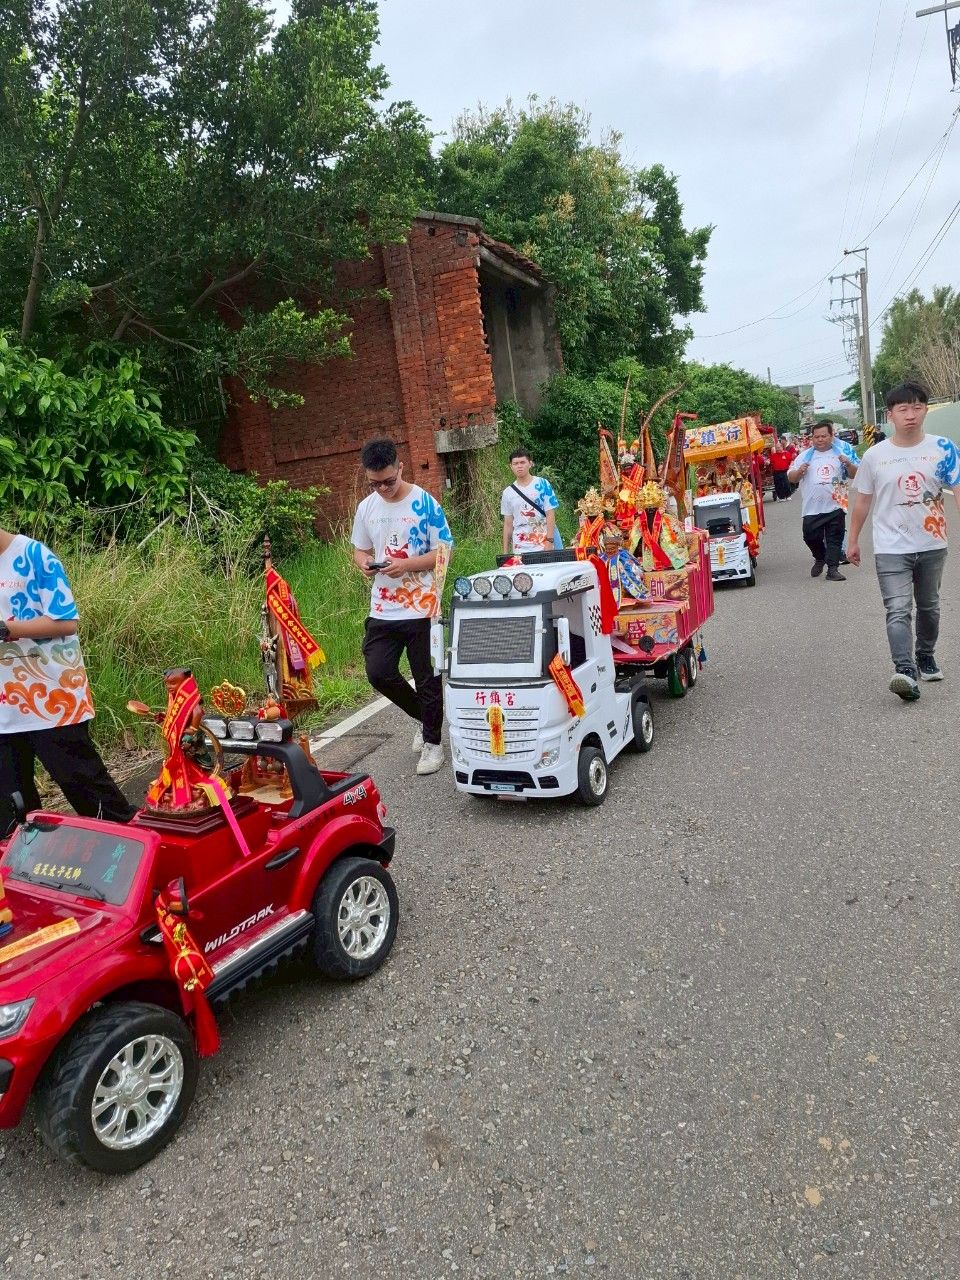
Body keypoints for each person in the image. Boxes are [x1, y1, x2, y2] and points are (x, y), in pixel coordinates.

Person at [0, 527, 136, 834]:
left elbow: (66, 621)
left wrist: (6, 628)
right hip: (4, 707)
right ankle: (25, 876)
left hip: (52, 698)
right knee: (11, 811)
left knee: (88, 791)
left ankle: (136, 857)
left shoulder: (34, 556)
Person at [847, 382, 960, 701]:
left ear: (925, 410)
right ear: (891, 415)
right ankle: (905, 670)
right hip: (890, 547)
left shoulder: (944, 448)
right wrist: (852, 539)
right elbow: (862, 502)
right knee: (897, 608)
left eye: (917, 407)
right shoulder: (874, 456)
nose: (911, 415)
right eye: (903, 409)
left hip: (932, 543)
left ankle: (925, 656)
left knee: (929, 606)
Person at [351, 438, 453, 775]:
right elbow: (360, 550)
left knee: (427, 678)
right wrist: (365, 563)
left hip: (422, 606)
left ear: (400, 467)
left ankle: (433, 744)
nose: (382, 489)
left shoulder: (425, 504)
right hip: (383, 608)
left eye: (388, 481)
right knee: (379, 673)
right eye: (374, 483)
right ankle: (427, 720)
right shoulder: (367, 507)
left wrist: (407, 565)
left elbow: (443, 554)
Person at [787, 421, 858, 581]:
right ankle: (819, 557)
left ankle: (833, 569)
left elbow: (854, 474)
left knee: (835, 537)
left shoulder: (841, 454)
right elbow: (791, 477)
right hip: (812, 507)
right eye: (816, 436)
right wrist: (799, 472)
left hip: (836, 504)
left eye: (824, 436)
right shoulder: (804, 456)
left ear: (831, 436)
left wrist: (848, 463)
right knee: (810, 537)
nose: (820, 439)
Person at [501, 450, 561, 555]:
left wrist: (550, 541)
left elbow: (550, 514)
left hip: (543, 540)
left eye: (522, 462)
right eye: (515, 463)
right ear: (511, 466)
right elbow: (508, 524)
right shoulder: (507, 493)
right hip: (520, 544)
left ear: (530, 463)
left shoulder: (542, 484)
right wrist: (505, 553)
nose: (519, 466)